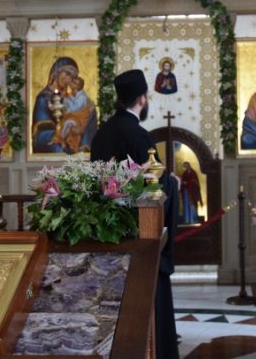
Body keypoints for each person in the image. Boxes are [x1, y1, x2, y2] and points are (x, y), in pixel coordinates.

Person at [89, 69, 179, 359]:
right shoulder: (139, 136)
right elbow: (155, 189)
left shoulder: (102, 133)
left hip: (107, 234)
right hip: (139, 236)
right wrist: (172, 183)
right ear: (142, 99)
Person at [31, 57, 97, 154]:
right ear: (56, 73)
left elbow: (79, 113)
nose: (69, 79)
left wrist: (80, 126)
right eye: (67, 73)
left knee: (91, 110)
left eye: (72, 77)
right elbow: (41, 132)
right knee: (60, 151)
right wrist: (63, 132)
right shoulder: (43, 98)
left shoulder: (70, 97)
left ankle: (84, 148)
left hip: (73, 134)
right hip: (51, 140)